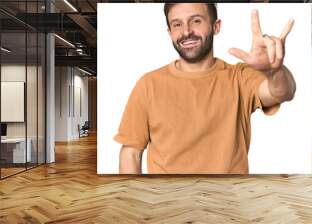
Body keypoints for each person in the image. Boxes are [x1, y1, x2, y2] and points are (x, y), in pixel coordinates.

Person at [114, 3, 296, 174]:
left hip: (228, 203)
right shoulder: (148, 85)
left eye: (196, 21)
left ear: (216, 26)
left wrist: (274, 71)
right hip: (167, 203)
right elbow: (131, 153)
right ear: (169, 32)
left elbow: (282, 92)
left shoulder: (239, 77)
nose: (186, 31)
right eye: (177, 24)